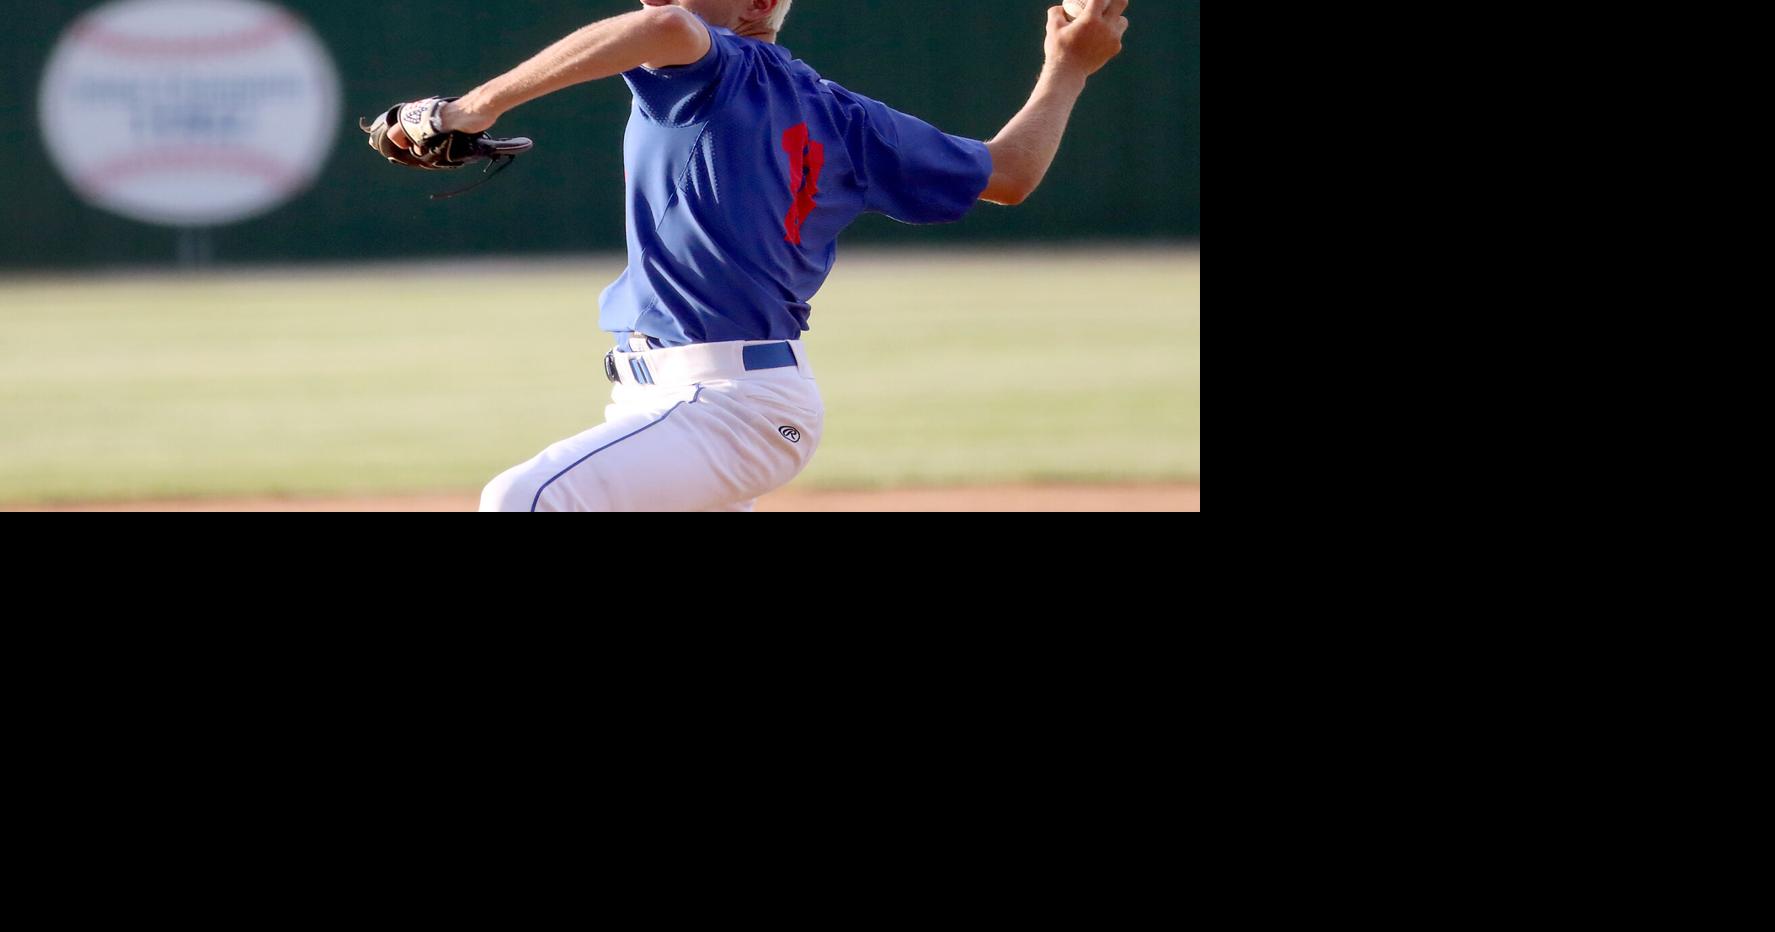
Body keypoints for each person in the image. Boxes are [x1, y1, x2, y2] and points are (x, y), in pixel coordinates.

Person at [384, 0, 1130, 511]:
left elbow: (669, 25)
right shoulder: (845, 117)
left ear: (754, 5)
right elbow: (1008, 172)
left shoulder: (719, 68)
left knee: (527, 500)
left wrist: (469, 109)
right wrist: (1068, 67)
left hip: (728, 405)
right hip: (679, 399)